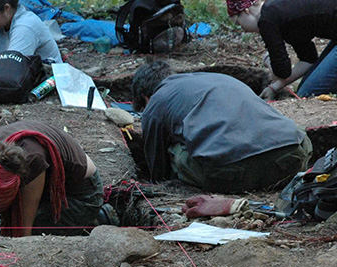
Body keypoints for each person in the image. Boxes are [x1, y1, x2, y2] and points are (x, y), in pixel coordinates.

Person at [132, 61, 312, 193]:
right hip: (290, 160)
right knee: (296, 130)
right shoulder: (219, 78)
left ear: (145, 97)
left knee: (174, 149)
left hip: (230, 176)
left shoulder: (156, 101)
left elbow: (158, 169)